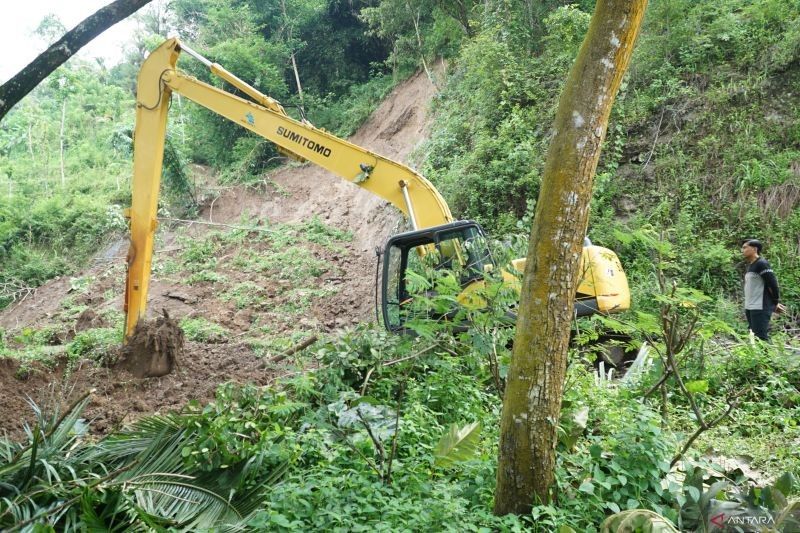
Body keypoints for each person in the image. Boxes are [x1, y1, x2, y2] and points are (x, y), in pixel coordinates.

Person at [741, 239, 785, 340]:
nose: (742, 250)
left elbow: (772, 284)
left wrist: (775, 302)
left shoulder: (762, 263)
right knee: (753, 335)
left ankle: (767, 355)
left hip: (760, 306)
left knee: (761, 337)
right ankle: (757, 355)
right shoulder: (751, 265)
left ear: (754, 249)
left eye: (745, 247)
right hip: (750, 306)